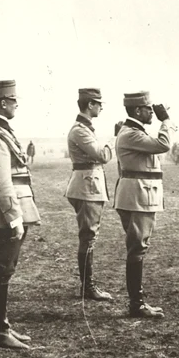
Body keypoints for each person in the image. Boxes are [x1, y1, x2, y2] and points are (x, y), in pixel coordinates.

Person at [0, 80, 41, 349]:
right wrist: (15, 219)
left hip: (4, 213)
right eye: (13, 100)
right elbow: (1, 183)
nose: (16, 104)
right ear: (3, 102)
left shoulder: (0, 132)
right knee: (1, 272)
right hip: (2, 215)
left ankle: (2, 327)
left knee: (4, 271)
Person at [114, 91, 176, 318]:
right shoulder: (131, 133)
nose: (152, 112)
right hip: (139, 197)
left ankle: (137, 303)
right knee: (137, 248)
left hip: (140, 195)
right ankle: (136, 304)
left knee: (138, 248)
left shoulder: (133, 132)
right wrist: (166, 120)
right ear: (138, 111)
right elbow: (163, 144)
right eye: (148, 108)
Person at [64, 88, 114, 302]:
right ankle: (88, 287)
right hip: (87, 187)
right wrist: (115, 138)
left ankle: (88, 285)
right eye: (99, 103)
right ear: (90, 104)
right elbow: (102, 155)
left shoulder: (84, 128)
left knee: (89, 236)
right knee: (88, 237)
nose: (101, 107)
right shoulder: (80, 130)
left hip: (89, 185)